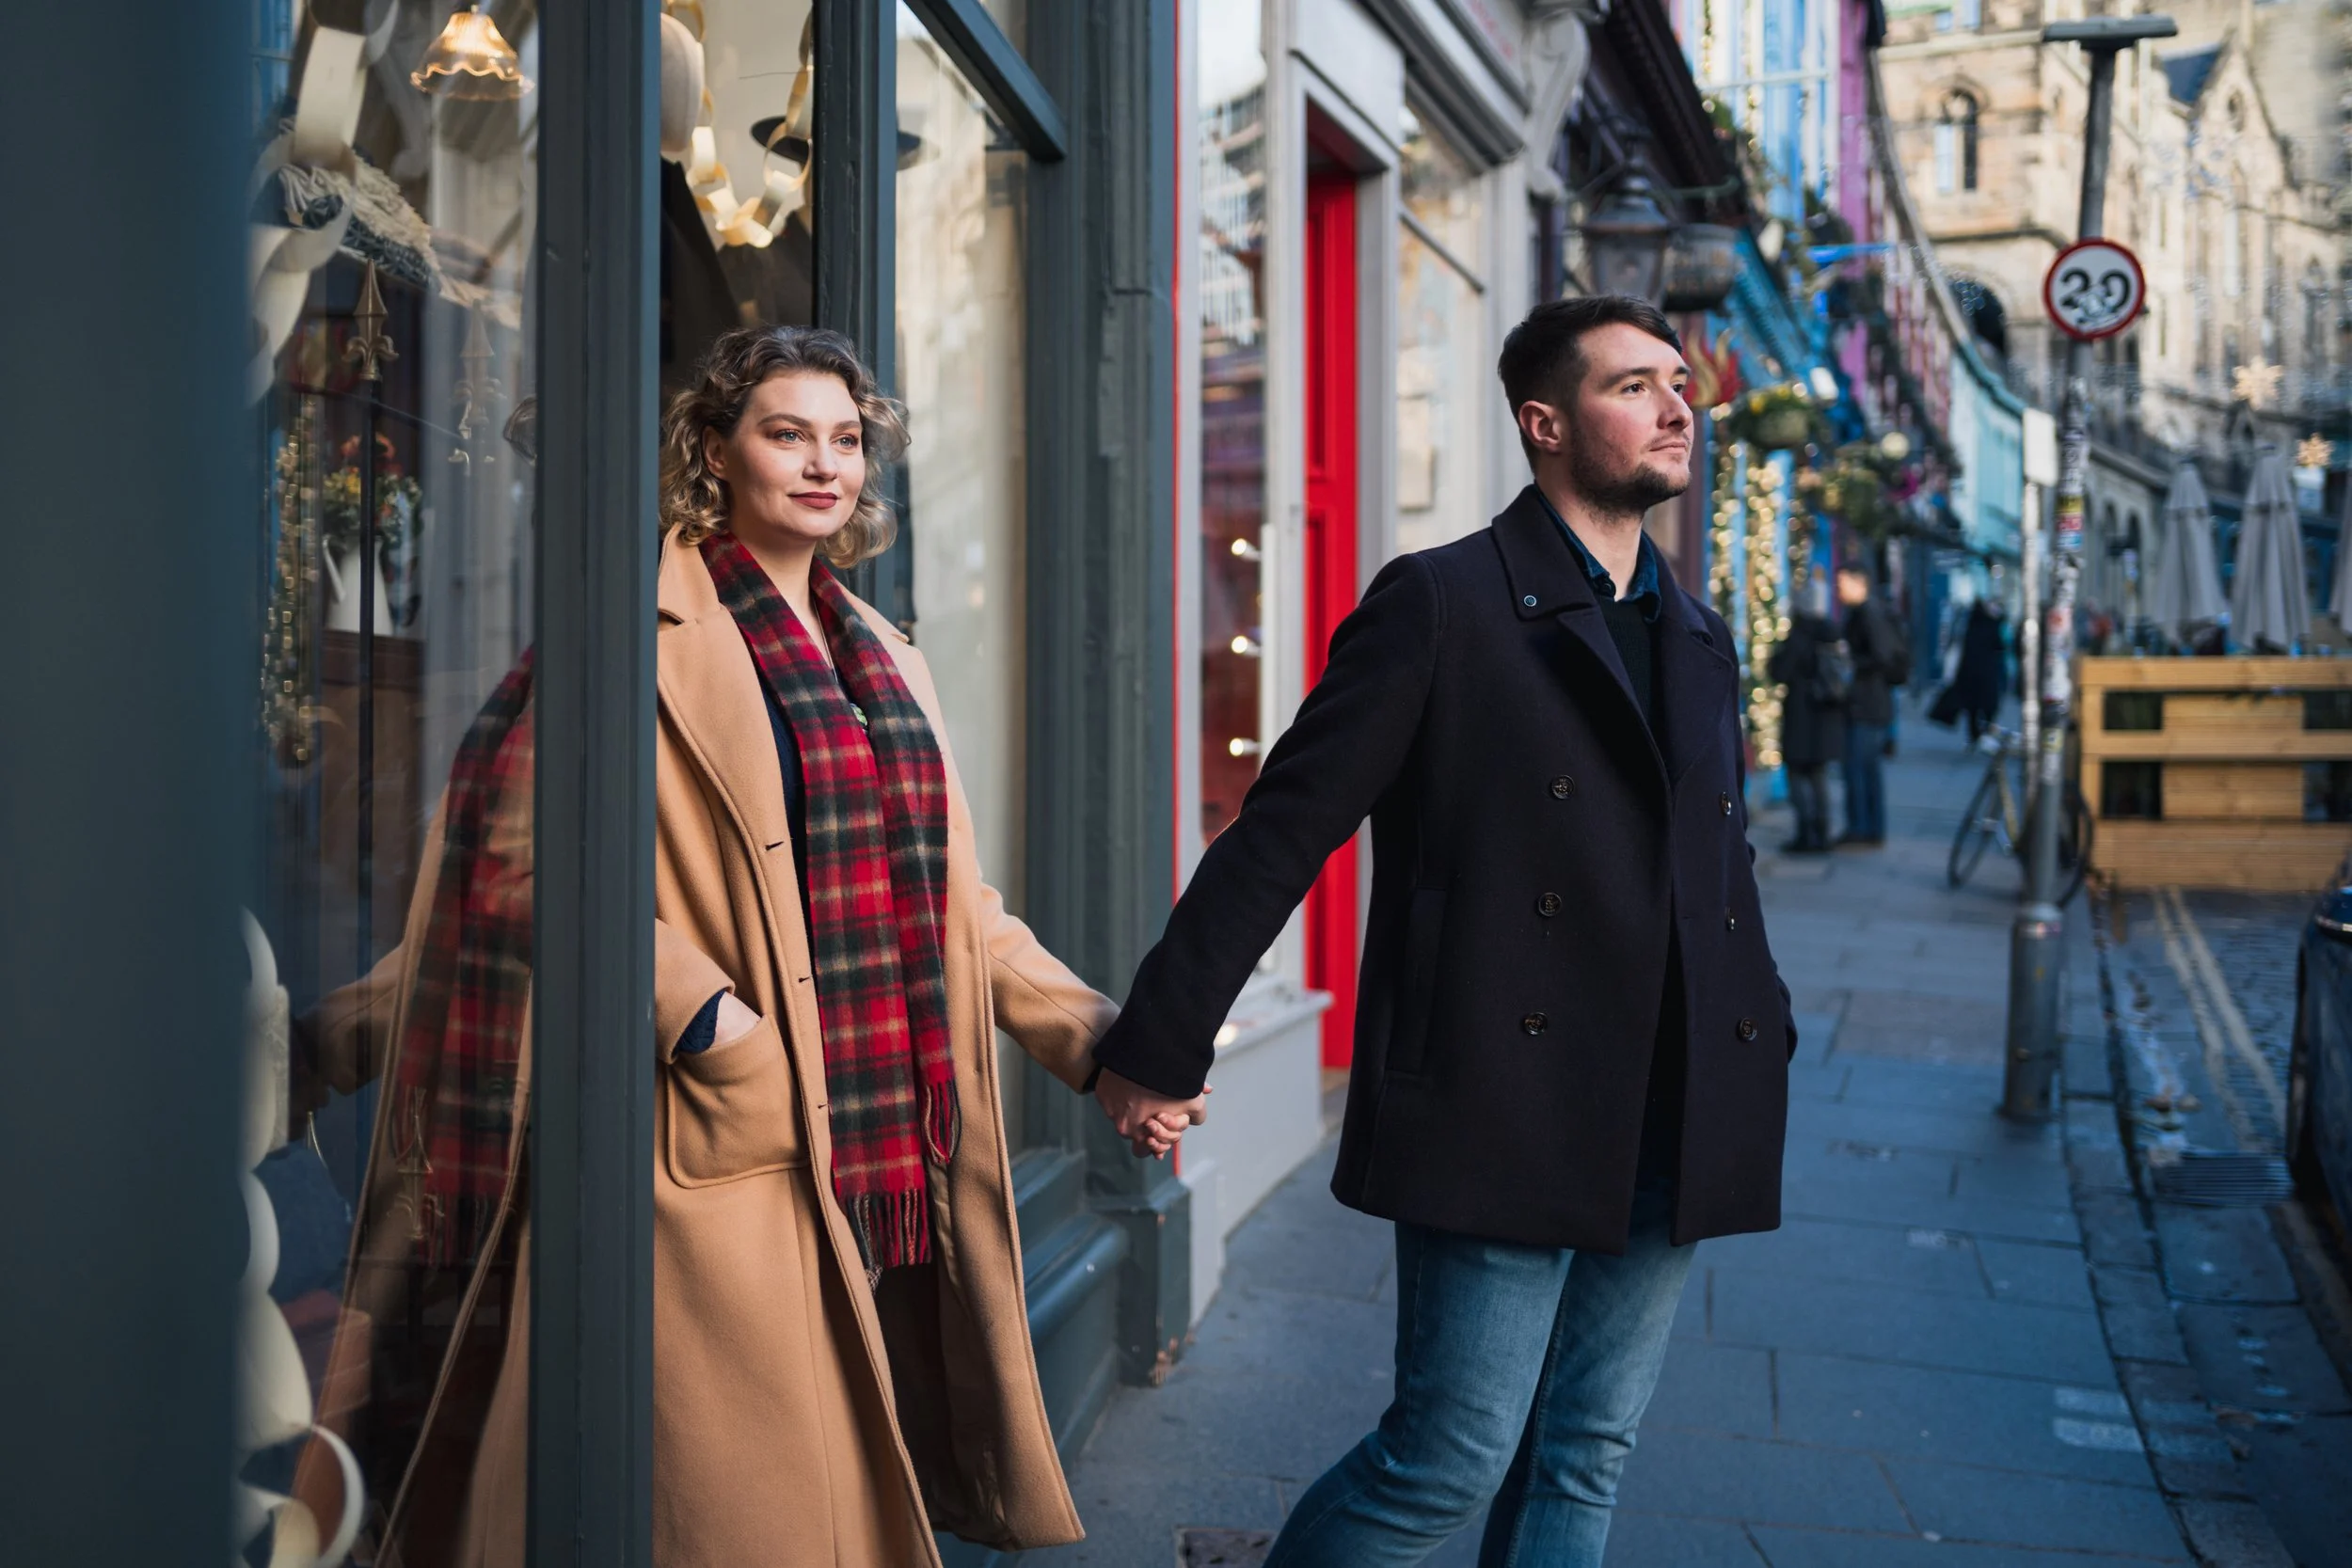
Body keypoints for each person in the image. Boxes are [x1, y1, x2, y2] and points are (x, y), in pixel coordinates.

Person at [301, 326, 1200, 1567]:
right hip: (710, 1132)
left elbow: (948, 906)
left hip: (866, 1135)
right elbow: (519, 862)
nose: (825, 464)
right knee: (739, 1510)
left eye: (846, 439)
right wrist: (709, 1021)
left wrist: (1106, 1044)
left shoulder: (885, 657)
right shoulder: (634, 630)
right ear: (715, 452)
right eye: (788, 432)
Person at [1090, 295, 1796, 1568]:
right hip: (1507, 1085)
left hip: (1680, 1093)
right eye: (1633, 385)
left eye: (1677, 383)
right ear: (1544, 423)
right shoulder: (1445, 601)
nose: (1677, 404)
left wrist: (1766, 1029)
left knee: (1586, 1452)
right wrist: (1164, 1036)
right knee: (1446, 1460)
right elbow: (1281, 831)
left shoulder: (1697, 630)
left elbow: (1721, 861)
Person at [1769, 578, 1847, 853]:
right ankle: (1823, 833)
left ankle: (1805, 834)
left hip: (1802, 717)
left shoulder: (1799, 635)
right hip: (1826, 717)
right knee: (1819, 776)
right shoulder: (1832, 633)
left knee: (1799, 776)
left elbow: (1779, 672)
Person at [1836, 562, 1898, 847]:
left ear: (1858, 583)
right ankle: (1871, 829)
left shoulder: (1867, 614)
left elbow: (1882, 657)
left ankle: (1862, 828)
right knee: (1867, 770)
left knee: (1859, 770)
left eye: (1843, 583)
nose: (1838, 590)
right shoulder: (1865, 613)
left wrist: (1850, 663)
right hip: (1870, 704)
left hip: (1866, 705)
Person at [1950, 595, 2008, 742]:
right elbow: (2000, 645)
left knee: (1973, 708)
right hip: (1986, 674)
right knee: (1988, 705)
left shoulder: (1971, 626)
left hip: (1971, 674)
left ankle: (1975, 735)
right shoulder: (1990, 625)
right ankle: (1984, 732)